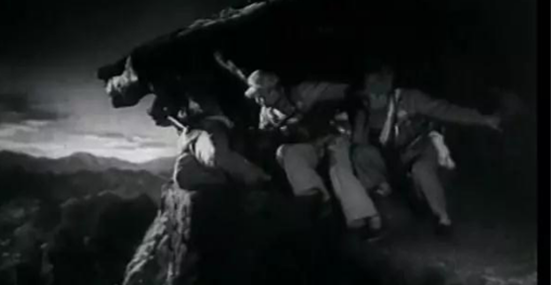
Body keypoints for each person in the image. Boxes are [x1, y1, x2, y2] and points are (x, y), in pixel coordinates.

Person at [350, 64, 501, 234]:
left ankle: (443, 218)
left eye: (377, 91)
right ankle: (384, 204)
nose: (373, 97)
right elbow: (358, 143)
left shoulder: (410, 99)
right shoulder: (363, 111)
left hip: (421, 150)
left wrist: (483, 119)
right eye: (369, 92)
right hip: (395, 161)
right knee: (360, 154)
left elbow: (445, 110)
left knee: (421, 169)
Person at [245, 69, 382, 236]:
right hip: (308, 148)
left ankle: (364, 218)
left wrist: (355, 128)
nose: (259, 101)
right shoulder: (267, 114)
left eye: (261, 95)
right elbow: (265, 141)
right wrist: (274, 135)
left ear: (275, 89)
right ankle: (315, 199)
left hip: (333, 137)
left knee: (338, 168)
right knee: (286, 152)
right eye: (256, 97)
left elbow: (351, 92)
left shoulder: (304, 92)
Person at [104, 57, 270, 191]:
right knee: (183, 177)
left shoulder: (198, 84)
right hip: (187, 136)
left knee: (215, 155)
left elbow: (208, 110)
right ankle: (226, 180)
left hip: (210, 126)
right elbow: (165, 114)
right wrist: (166, 117)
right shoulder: (170, 92)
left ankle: (258, 178)